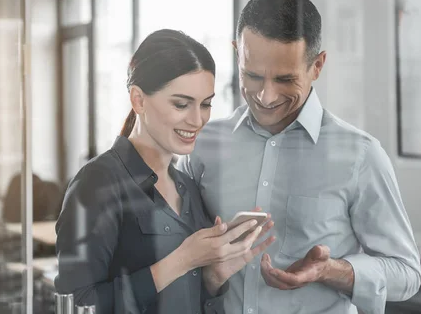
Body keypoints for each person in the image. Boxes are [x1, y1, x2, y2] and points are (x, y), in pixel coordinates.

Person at [178, 0, 421, 314]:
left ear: (317, 65)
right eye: (252, 75)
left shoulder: (360, 156)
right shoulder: (203, 145)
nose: (265, 96)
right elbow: (174, 255)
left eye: (285, 79)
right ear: (237, 54)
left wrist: (331, 270)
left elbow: (406, 272)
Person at [55, 29, 274, 314]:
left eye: (206, 104)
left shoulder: (187, 187)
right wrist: (181, 260)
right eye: (181, 104)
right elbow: (76, 304)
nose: (197, 120)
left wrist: (213, 275)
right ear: (139, 100)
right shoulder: (97, 184)